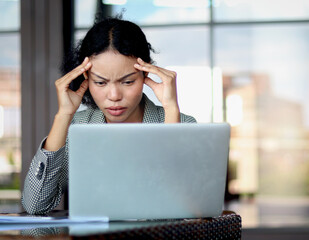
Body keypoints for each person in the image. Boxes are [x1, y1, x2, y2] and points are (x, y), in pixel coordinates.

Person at [22, 16, 196, 215]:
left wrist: (171, 109)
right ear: (86, 77)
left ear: (145, 74)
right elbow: (35, 205)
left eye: (128, 82)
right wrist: (64, 115)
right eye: (101, 83)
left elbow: (184, 208)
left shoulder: (182, 124)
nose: (114, 96)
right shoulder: (78, 129)